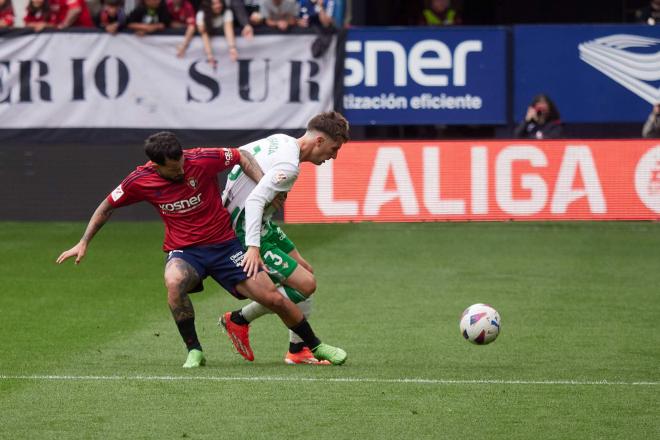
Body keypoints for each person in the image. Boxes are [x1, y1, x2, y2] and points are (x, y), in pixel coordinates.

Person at [56, 132, 347, 368]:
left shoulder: (202, 159)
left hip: (225, 246)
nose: (182, 170)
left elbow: (241, 154)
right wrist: (84, 241)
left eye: (182, 162)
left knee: (274, 298)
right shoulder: (139, 180)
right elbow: (107, 205)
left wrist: (263, 186)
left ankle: (316, 346)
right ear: (156, 166)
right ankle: (194, 350)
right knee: (173, 283)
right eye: (174, 169)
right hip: (185, 252)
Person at [220, 111, 350, 364]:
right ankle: (238, 319)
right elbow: (257, 199)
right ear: (320, 141)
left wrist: (233, 193)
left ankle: (297, 350)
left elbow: (239, 156)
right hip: (247, 229)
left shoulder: (280, 140)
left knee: (305, 270)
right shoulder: (289, 166)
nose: (333, 156)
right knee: (306, 285)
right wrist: (253, 247)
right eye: (334, 148)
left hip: (259, 222)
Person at [196, 0, 237, 68]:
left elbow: (228, 29)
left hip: (224, 49)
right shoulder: (201, 15)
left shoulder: (227, 12)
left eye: (219, 2)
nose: (218, 6)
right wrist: (210, 55)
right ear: (208, 5)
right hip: (209, 48)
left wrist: (232, 48)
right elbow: (204, 35)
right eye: (214, 4)